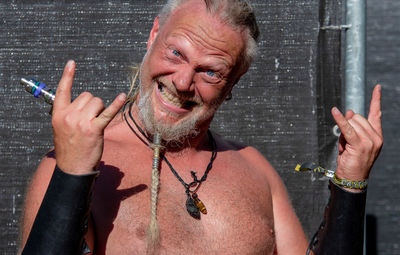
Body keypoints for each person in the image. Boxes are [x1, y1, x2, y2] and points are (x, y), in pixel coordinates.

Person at [19, 0, 383, 254]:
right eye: (176, 53)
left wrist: (350, 183)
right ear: (153, 35)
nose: (181, 82)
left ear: (234, 82)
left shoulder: (254, 169)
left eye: (210, 71)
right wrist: (73, 174)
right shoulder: (74, 164)